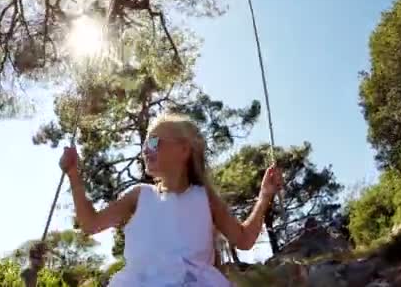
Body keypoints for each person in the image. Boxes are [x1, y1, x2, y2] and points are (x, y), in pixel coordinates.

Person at [59, 113, 283, 286]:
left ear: (184, 149)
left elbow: (244, 240)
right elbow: (90, 224)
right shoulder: (140, 195)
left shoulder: (204, 198)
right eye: (144, 145)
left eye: (154, 143)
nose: (146, 150)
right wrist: (73, 175)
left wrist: (264, 197)